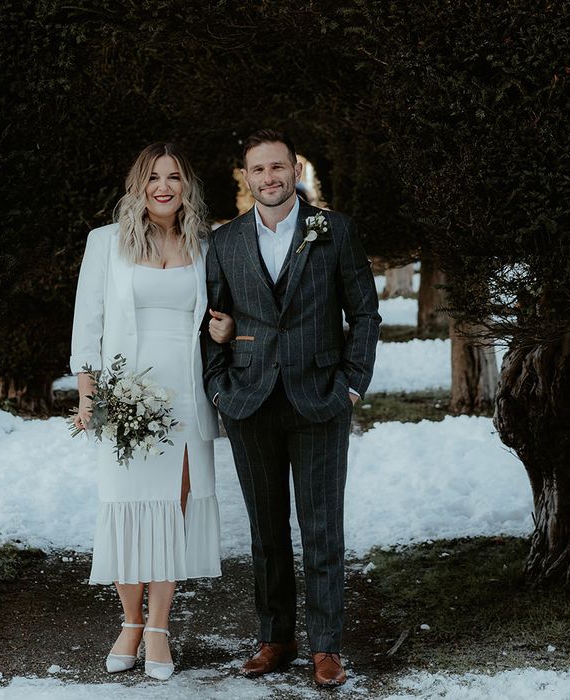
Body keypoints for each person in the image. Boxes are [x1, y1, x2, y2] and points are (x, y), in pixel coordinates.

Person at [203, 130, 381, 687]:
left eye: (278, 167)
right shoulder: (226, 241)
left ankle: (326, 647)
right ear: (247, 176)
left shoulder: (335, 231)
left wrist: (351, 385)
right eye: (258, 170)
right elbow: (211, 322)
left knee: (322, 527)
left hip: (320, 399)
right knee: (266, 530)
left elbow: (366, 315)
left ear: (294, 169)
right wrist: (218, 387)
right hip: (250, 402)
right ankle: (275, 637)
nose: (269, 177)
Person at [70, 143, 234, 681]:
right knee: (127, 506)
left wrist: (224, 330)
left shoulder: (207, 247)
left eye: (174, 177)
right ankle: (130, 623)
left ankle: (160, 627)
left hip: (185, 394)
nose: (164, 186)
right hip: (127, 396)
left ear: (187, 186)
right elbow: (87, 323)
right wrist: (90, 397)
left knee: (173, 509)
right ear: (138, 184)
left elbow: (218, 317)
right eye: (154, 177)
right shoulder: (106, 244)